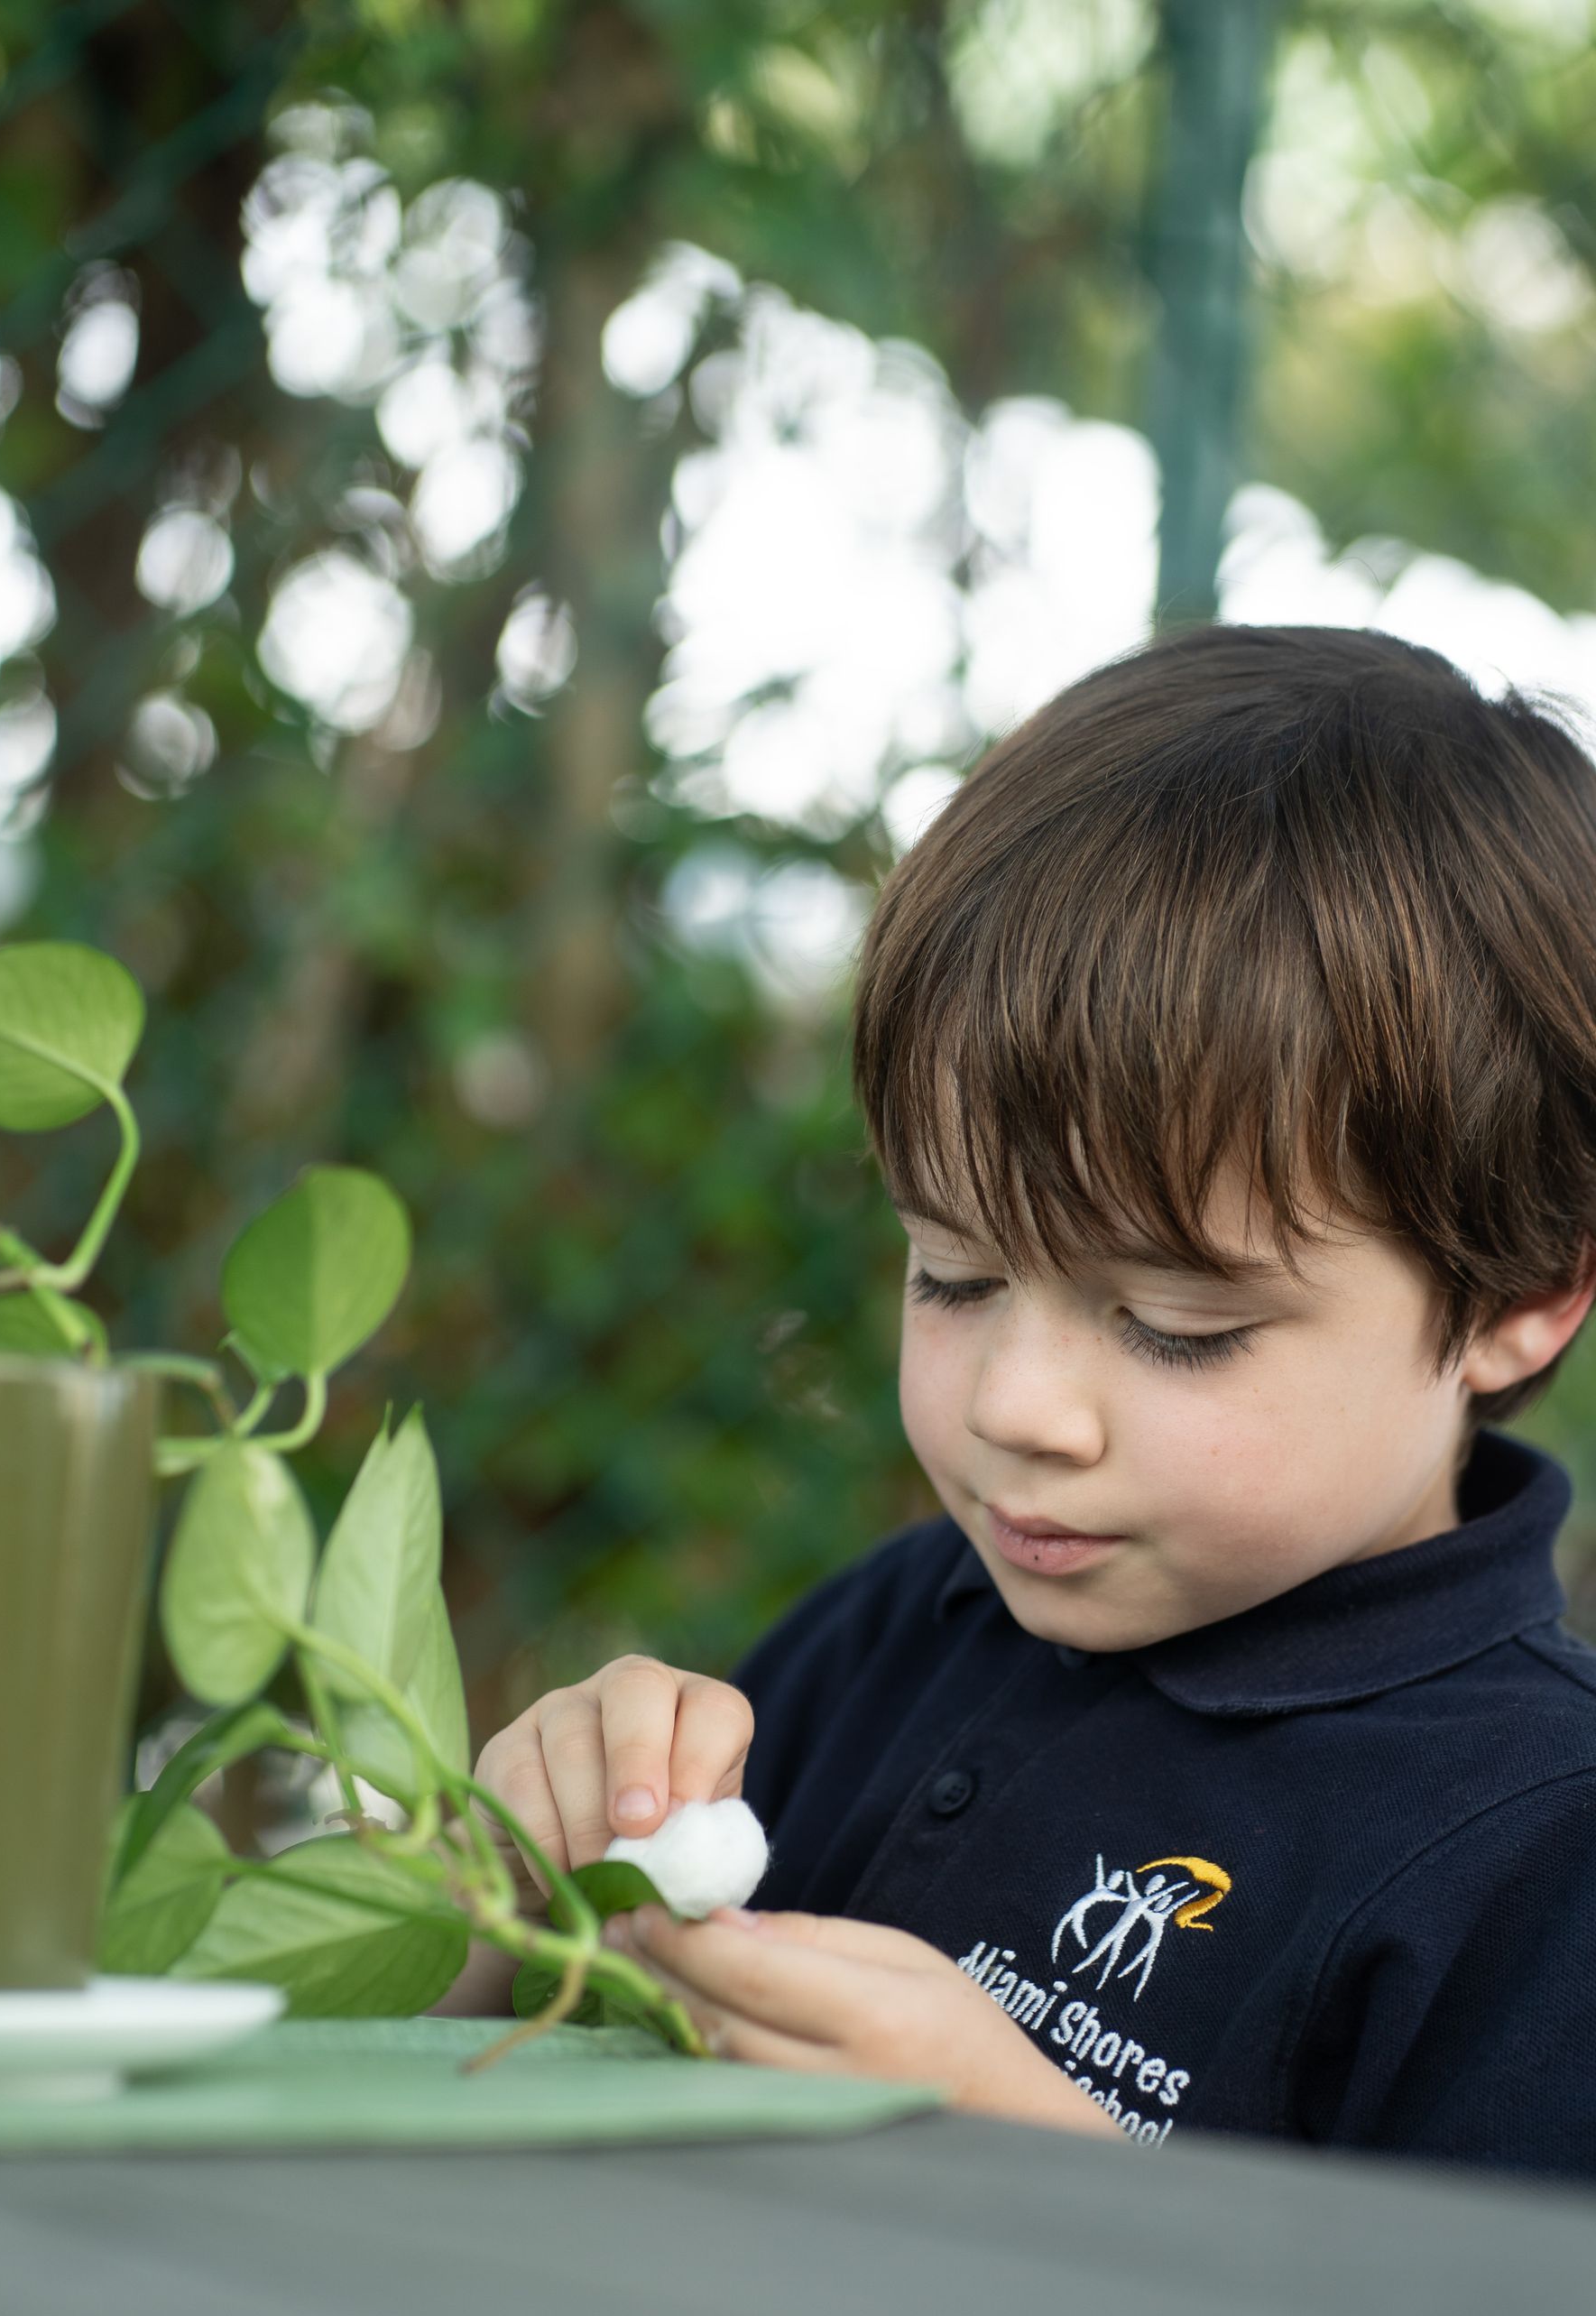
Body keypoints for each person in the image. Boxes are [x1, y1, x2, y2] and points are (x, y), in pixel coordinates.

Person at [446, 623, 1596, 2177]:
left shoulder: (1539, 1856)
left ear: (1523, 1298)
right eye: (954, 1276)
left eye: (1180, 1325)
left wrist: (1044, 2176)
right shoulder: (907, 1628)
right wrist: (516, 1899)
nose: (1019, 1408)